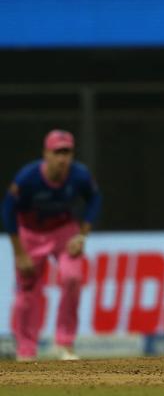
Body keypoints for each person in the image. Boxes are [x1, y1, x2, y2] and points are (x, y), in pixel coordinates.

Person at [1, 130, 101, 361]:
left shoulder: (79, 175)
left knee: (72, 277)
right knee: (27, 291)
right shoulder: (28, 177)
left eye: (67, 152)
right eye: (57, 152)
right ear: (46, 153)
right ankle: (26, 350)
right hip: (30, 233)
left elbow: (95, 199)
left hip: (63, 231)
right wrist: (19, 253)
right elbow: (8, 209)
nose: (63, 158)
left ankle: (64, 344)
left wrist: (82, 235)